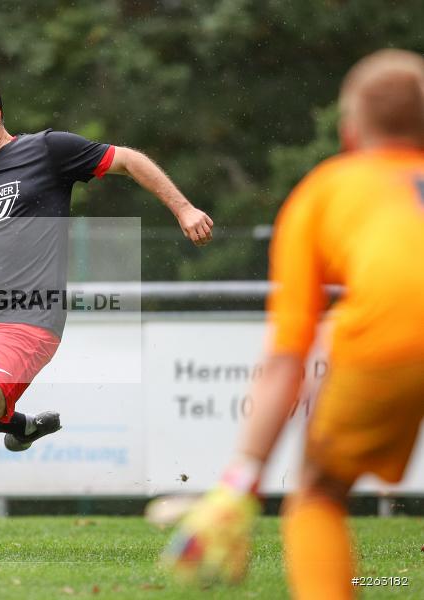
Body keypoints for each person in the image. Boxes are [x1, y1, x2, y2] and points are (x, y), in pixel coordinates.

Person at [0, 65, 214, 557]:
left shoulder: (47, 150)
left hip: (30, 320)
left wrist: (182, 209)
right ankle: (17, 424)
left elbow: (130, 160)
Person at [161, 49, 424, 599]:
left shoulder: (326, 190)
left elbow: (288, 357)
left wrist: (240, 483)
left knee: (320, 494)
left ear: (350, 133)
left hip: (395, 339)